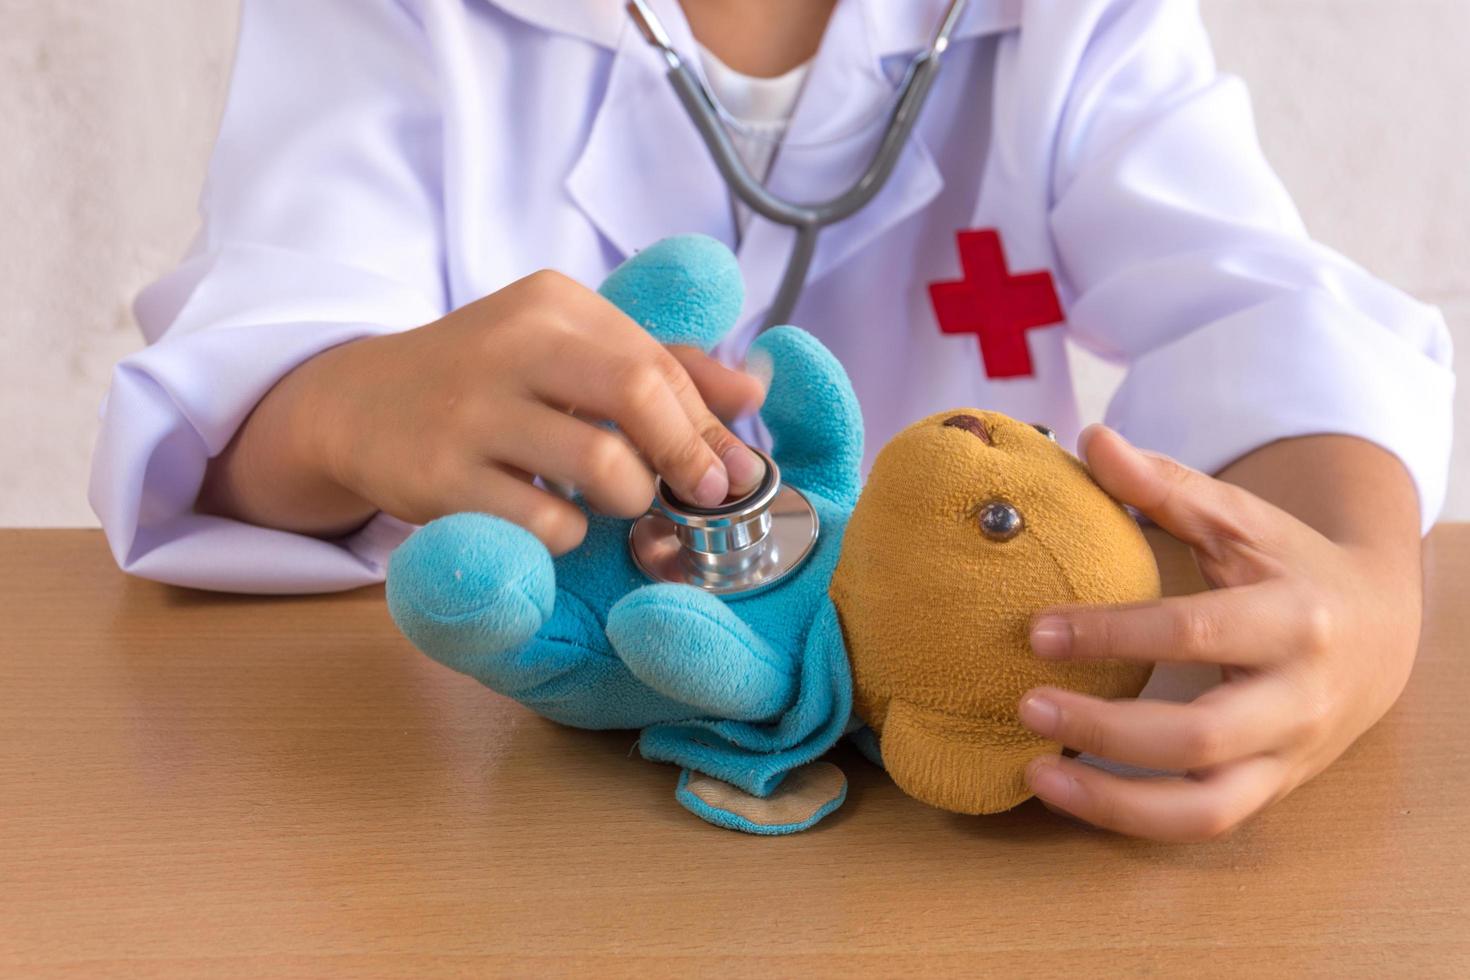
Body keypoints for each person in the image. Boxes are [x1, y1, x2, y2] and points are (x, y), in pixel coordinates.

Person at [90, 0, 1454, 842]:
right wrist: (340, 399)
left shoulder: (1071, 18)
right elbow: (242, 409)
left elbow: (1259, 321)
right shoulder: (396, 15)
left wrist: (1367, 588)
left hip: (957, 794)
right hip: (521, 811)